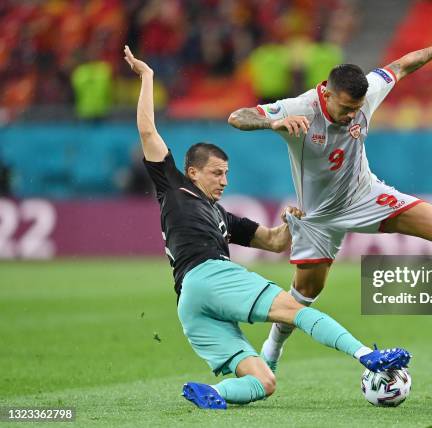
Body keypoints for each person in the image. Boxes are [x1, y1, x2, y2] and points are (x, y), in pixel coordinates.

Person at [123, 46, 410, 410]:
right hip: (208, 275)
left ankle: (213, 394)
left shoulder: (223, 217)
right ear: (192, 172)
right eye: (216, 173)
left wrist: (292, 223)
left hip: (191, 304)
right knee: (296, 309)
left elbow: (274, 243)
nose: (224, 181)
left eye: (227, 173)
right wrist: (147, 77)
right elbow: (147, 129)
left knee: (264, 382)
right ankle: (366, 356)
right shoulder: (173, 187)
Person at [228, 17, 432, 371]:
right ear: (327, 93)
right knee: (302, 297)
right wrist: (272, 122)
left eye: (357, 109)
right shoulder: (299, 109)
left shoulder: (366, 95)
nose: (352, 116)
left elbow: (402, 65)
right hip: (318, 218)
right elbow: (237, 117)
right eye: (346, 108)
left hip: (366, 196)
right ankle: (272, 352)